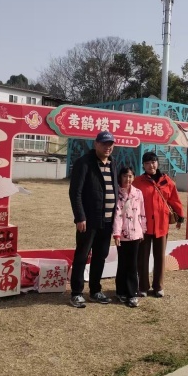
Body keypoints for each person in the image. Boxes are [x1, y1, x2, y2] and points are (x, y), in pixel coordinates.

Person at [68, 131, 118, 308]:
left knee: (100, 256)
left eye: (110, 144)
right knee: (82, 255)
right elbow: (75, 192)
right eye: (104, 144)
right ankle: (76, 293)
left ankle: (95, 290)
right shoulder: (84, 163)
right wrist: (80, 217)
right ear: (96, 144)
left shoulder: (112, 163)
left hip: (107, 221)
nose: (107, 147)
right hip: (88, 221)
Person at [133, 151, 185, 298]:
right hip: (143, 226)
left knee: (160, 257)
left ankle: (158, 286)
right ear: (143, 165)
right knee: (142, 257)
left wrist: (180, 217)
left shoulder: (167, 181)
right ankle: (143, 287)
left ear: (157, 163)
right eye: (147, 163)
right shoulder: (138, 182)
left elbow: (175, 200)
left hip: (161, 225)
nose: (151, 165)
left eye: (153, 162)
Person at [112, 166, 146, 308]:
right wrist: (116, 233)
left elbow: (142, 212)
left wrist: (143, 229)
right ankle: (121, 291)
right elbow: (117, 215)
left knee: (132, 265)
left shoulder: (138, 193)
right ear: (120, 177)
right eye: (125, 176)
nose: (128, 179)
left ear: (134, 177)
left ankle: (132, 294)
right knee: (122, 264)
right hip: (122, 235)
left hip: (136, 234)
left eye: (130, 176)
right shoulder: (117, 193)